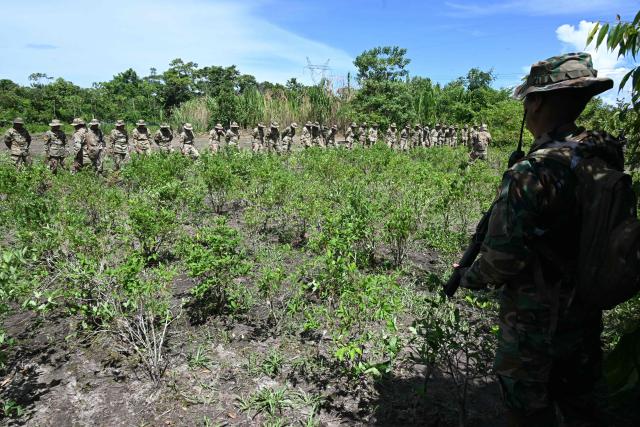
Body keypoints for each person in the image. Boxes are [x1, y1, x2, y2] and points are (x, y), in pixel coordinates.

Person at [459, 52, 617, 427]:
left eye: (528, 100)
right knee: (582, 403)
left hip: (535, 318)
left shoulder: (535, 171)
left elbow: (503, 258)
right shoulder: (601, 155)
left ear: (537, 102)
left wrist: (470, 275)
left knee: (527, 409)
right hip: (585, 308)